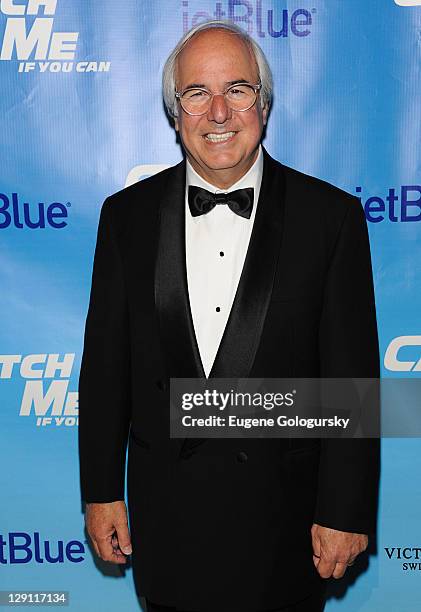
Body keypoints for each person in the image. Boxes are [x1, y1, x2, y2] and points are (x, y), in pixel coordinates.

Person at [78, 19, 380, 612]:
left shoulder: (331, 219)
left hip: (285, 527)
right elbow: (105, 366)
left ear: (263, 103)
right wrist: (101, 491)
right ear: (175, 113)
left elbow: (351, 383)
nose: (218, 112)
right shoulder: (126, 217)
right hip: (168, 526)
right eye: (196, 93)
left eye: (237, 89)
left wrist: (344, 510)